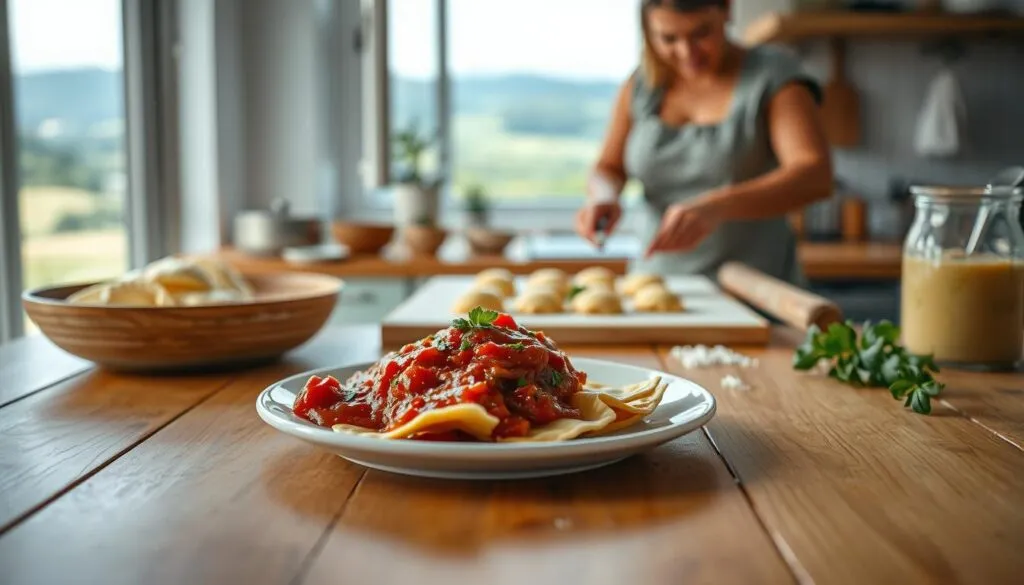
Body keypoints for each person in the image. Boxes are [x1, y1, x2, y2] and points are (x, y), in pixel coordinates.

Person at [575, 0, 833, 284]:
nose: (687, 52)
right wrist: (603, 195)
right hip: (658, 281)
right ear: (649, 31)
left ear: (727, 11)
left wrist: (717, 206)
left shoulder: (773, 74)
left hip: (756, 287)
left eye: (701, 33)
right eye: (669, 38)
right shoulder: (641, 85)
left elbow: (815, 175)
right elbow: (609, 167)